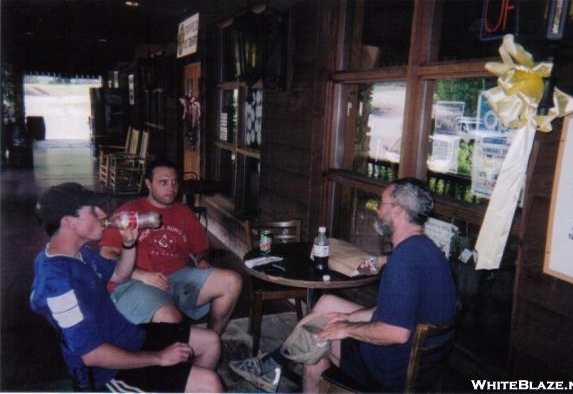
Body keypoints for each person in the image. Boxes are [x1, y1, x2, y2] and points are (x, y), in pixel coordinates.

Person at [229, 177, 457, 392]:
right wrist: (349, 318)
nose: (377, 210)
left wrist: (346, 328)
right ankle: (273, 363)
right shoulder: (426, 249)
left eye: (382, 204)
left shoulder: (403, 261)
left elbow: (395, 333)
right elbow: (395, 312)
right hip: (420, 362)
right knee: (327, 305)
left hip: (391, 369)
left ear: (397, 211)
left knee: (316, 346)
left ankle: (278, 368)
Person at [30, 182, 222, 392]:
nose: (103, 213)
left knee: (211, 342)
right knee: (210, 383)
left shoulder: (80, 253)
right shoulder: (58, 285)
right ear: (68, 222)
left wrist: (129, 244)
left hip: (127, 335)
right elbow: (92, 354)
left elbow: (119, 275)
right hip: (105, 372)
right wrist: (159, 358)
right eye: (93, 210)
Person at [100, 158, 241, 334]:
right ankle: (167, 357)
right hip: (136, 282)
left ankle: (212, 339)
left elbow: (201, 248)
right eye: (163, 182)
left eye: (174, 182)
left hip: (178, 279)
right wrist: (142, 275)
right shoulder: (129, 212)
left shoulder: (183, 212)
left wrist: (202, 259)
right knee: (171, 319)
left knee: (232, 281)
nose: (171, 188)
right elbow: (106, 254)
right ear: (148, 184)